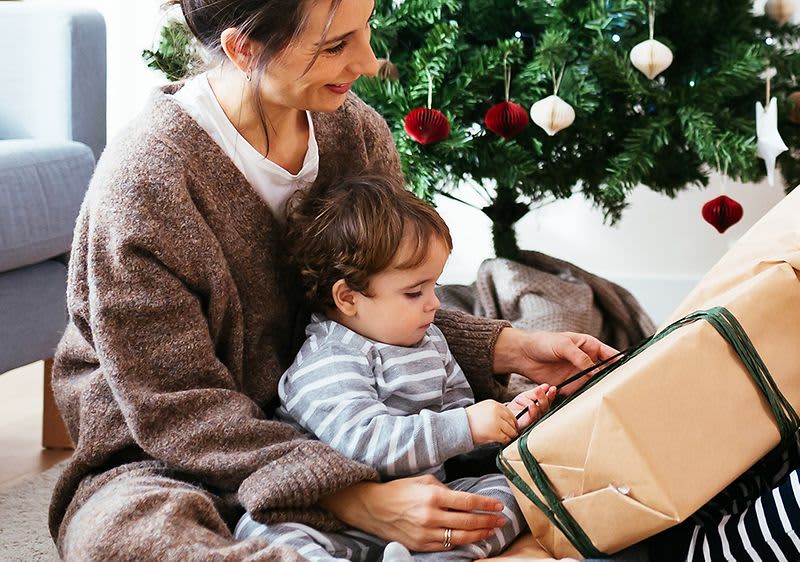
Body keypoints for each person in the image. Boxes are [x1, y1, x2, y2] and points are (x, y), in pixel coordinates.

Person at [49, 0, 618, 559]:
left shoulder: (357, 131)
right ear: (243, 49)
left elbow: (374, 304)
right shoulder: (144, 184)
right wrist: (353, 498)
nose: (369, 62)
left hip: (352, 412)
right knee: (124, 536)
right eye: (335, 45)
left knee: (542, 469)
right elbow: (178, 410)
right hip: (177, 443)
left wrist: (509, 348)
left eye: (365, 28)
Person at [234, 175, 558, 560]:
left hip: (425, 509)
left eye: (435, 286)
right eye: (414, 292)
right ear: (348, 298)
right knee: (262, 530)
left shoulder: (430, 341)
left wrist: (505, 421)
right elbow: (366, 443)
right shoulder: (328, 361)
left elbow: (457, 429)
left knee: (514, 492)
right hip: (334, 519)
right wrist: (467, 425)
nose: (434, 303)